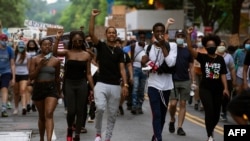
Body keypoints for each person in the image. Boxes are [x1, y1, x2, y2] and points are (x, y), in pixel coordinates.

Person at [89, 9, 129, 141]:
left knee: (112, 114)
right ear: (106, 35)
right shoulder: (100, 46)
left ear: (116, 35)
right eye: (109, 32)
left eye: (113, 32)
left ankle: (108, 137)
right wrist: (93, 17)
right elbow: (90, 33)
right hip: (101, 83)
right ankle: (98, 134)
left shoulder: (120, 52)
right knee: (100, 108)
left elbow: (122, 69)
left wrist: (125, 84)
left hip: (115, 86)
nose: (111, 34)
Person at [186, 27, 229, 141]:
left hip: (218, 89)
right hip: (205, 88)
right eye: (208, 46)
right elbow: (190, 48)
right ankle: (209, 135)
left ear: (216, 46)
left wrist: (226, 88)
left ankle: (211, 129)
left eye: (213, 45)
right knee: (209, 110)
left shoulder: (220, 59)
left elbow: (223, 74)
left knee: (215, 114)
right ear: (205, 47)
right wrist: (189, 35)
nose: (211, 47)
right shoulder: (203, 57)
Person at [53, 30, 94, 141]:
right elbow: (55, 52)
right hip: (69, 83)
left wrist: (94, 88)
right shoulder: (68, 53)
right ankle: (70, 128)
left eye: (80, 40)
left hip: (81, 84)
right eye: (75, 40)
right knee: (71, 111)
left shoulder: (86, 55)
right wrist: (57, 38)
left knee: (80, 110)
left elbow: (89, 74)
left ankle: (77, 135)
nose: (78, 42)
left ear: (83, 41)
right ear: (72, 41)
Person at [145, 22, 177, 141]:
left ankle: (155, 136)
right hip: (153, 85)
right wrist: (147, 64)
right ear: (153, 33)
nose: (159, 34)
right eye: (157, 32)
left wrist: (163, 46)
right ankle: (159, 138)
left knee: (162, 116)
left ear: (164, 33)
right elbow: (144, 66)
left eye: (161, 32)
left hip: (166, 86)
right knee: (156, 114)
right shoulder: (148, 48)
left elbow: (170, 63)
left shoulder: (172, 46)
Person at [29, 38, 61, 141]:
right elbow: (31, 76)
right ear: (40, 46)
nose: (47, 46)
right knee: (42, 116)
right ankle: (42, 138)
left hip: (51, 88)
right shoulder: (34, 59)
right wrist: (39, 67)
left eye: (49, 45)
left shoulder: (56, 61)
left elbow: (57, 78)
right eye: (44, 45)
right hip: (38, 87)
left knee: (49, 113)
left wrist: (59, 92)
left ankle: (49, 139)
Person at [168, 29, 194, 136]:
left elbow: (191, 67)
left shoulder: (188, 50)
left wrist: (193, 81)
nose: (180, 37)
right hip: (173, 79)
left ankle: (180, 127)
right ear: (175, 37)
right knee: (173, 104)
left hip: (185, 80)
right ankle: (172, 119)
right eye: (178, 36)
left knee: (183, 103)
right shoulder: (171, 49)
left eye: (182, 36)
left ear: (184, 38)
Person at [216, 40, 236, 122]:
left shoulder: (229, 56)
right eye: (220, 45)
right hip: (216, 79)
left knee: (226, 97)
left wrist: (234, 79)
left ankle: (224, 112)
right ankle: (216, 112)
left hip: (227, 79)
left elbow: (232, 69)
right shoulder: (214, 55)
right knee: (217, 96)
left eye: (223, 45)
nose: (221, 47)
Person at [129, 31, 147, 115]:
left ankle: (140, 106)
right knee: (135, 87)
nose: (142, 39)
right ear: (138, 38)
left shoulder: (147, 47)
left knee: (142, 89)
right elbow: (131, 59)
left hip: (144, 69)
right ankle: (134, 106)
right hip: (136, 68)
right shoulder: (133, 46)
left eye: (143, 38)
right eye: (141, 37)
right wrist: (131, 72)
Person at [115, 37, 133, 116]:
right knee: (114, 93)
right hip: (113, 76)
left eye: (119, 43)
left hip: (123, 76)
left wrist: (131, 76)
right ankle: (115, 107)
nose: (117, 44)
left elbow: (129, 65)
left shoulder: (125, 54)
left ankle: (120, 105)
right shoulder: (111, 53)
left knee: (123, 93)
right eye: (116, 43)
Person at [0, 33, 15, 117]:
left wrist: (13, 77)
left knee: (4, 88)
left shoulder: (10, 50)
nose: (4, 41)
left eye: (5, 40)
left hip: (6, 71)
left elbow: (12, 64)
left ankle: (4, 109)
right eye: (2, 40)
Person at [13, 40, 30, 115]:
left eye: (22, 47)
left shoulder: (27, 55)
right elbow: (12, 65)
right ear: (17, 47)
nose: (21, 48)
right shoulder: (14, 54)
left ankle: (24, 107)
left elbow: (28, 66)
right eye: (20, 47)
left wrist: (29, 76)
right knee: (16, 92)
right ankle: (16, 107)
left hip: (24, 74)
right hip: (16, 74)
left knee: (22, 90)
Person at [192, 31, 206, 110]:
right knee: (196, 87)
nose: (200, 40)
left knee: (203, 88)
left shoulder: (207, 50)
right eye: (199, 38)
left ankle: (203, 104)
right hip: (196, 71)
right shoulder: (195, 50)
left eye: (201, 38)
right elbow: (192, 62)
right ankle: (196, 101)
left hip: (204, 72)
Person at [26, 39, 40, 113]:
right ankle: (28, 104)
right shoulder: (26, 53)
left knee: (35, 90)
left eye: (33, 43)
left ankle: (33, 104)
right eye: (30, 43)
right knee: (28, 89)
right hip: (27, 72)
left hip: (35, 72)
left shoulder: (38, 53)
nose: (31, 45)